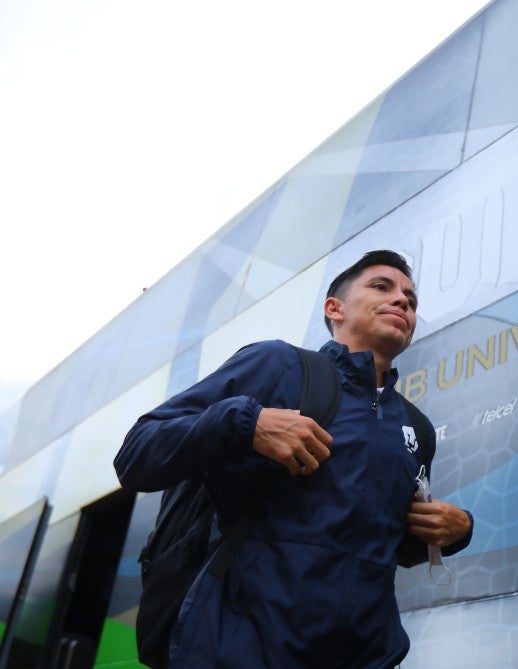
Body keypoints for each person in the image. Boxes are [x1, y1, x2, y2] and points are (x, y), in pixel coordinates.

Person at [114, 250, 473, 668]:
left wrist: (456, 532)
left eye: (410, 300)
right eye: (381, 287)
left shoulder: (417, 428)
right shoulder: (279, 366)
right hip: (241, 652)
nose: (401, 301)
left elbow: (390, 547)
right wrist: (247, 424)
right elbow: (136, 453)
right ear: (334, 308)